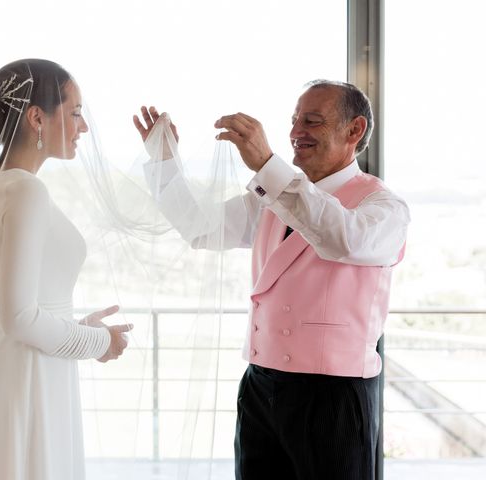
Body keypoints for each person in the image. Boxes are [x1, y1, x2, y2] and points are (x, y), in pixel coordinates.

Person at [133, 80, 410, 480]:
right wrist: (164, 163)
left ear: (354, 131)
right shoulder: (272, 198)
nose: (297, 132)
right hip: (260, 387)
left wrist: (267, 164)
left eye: (312, 121)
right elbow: (199, 226)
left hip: (333, 395)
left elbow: (341, 238)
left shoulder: (383, 207)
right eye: (294, 120)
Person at [0, 59, 133, 480]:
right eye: (74, 113)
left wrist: (79, 326)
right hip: (27, 375)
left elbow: (12, 306)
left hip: (20, 365)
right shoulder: (27, 190)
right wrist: (95, 340)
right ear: (37, 117)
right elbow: (18, 317)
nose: (83, 127)